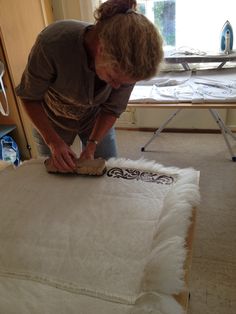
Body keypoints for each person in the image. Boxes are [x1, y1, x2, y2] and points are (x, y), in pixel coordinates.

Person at [16, 0, 163, 172]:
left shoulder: (131, 62)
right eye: (113, 78)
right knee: (54, 174)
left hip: (95, 117)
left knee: (109, 171)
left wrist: (92, 144)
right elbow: (29, 96)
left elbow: (112, 109)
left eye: (123, 83)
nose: (116, 87)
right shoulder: (52, 44)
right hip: (51, 117)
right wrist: (53, 142)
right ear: (101, 50)